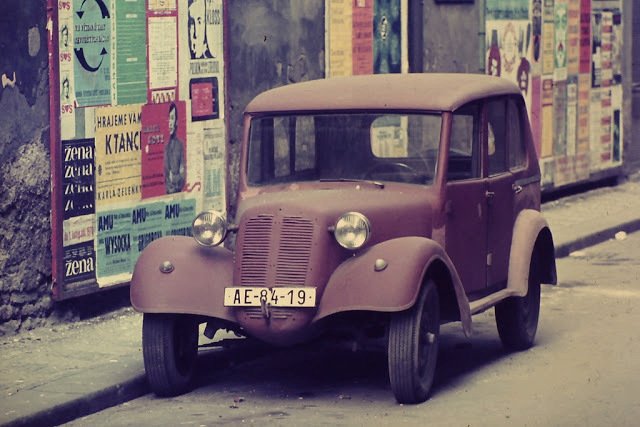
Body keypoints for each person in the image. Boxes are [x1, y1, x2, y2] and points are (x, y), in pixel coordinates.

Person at [164, 103, 186, 193]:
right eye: (168, 119)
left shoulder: (180, 145)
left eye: (172, 118)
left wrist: (175, 178)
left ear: (176, 122)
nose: (170, 123)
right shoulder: (165, 147)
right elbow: (166, 177)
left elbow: (183, 175)